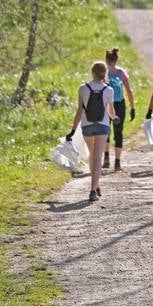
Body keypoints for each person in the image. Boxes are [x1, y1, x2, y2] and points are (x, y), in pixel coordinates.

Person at [66, 61, 120, 202]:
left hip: (87, 127)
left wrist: (72, 130)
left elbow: (79, 111)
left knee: (92, 156)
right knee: (97, 157)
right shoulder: (109, 90)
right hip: (102, 126)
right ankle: (92, 190)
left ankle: (97, 185)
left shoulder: (83, 88)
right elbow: (111, 111)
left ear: (92, 73)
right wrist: (114, 118)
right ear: (104, 74)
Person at [103, 47, 135, 172]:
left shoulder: (104, 72)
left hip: (106, 104)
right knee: (119, 132)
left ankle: (106, 159)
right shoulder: (121, 72)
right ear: (117, 59)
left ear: (106, 59)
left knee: (106, 130)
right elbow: (129, 91)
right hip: (119, 105)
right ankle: (117, 163)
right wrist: (132, 107)